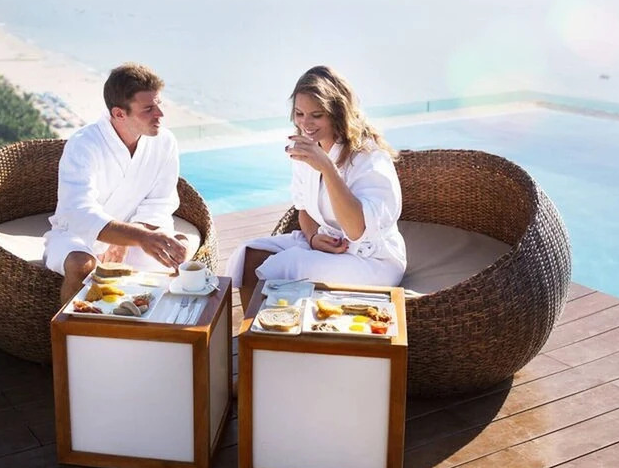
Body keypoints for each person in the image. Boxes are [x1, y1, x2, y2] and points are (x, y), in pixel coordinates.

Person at [227, 65, 407, 307]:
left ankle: (271, 326)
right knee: (248, 254)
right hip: (327, 243)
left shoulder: (369, 159)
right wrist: (312, 238)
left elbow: (356, 230)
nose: (305, 123)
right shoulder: (308, 150)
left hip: (371, 260)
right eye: (299, 113)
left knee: (284, 266)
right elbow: (303, 210)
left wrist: (327, 168)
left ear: (337, 114)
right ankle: (255, 330)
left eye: (316, 115)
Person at [44, 63, 190, 303]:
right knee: (82, 264)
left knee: (178, 254)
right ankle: (76, 327)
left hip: (139, 228)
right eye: (148, 109)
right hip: (82, 234)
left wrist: (130, 238)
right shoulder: (83, 144)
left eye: (159, 104)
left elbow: (160, 201)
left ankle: (154, 319)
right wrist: (133, 237)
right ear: (119, 114)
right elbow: (78, 212)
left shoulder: (165, 141)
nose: (160, 115)